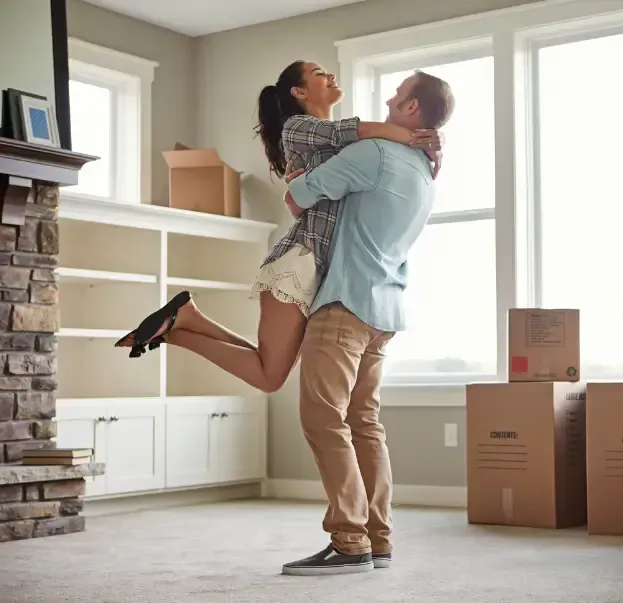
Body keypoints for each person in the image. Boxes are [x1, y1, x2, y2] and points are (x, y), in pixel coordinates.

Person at [113, 61, 442, 395]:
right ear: (299, 92)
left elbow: (329, 186)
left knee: (269, 367)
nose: (329, 76)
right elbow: (361, 131)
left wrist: (431, 141)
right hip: (298, 264)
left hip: (318, 270)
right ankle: (177, 330)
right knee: (270, 376)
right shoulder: (298, 127)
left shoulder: (345, 148)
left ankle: (186, 319)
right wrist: (416, 136)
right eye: (318, 74)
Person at [279, 70, 455, 576]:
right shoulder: (424, 169)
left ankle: (349, 541)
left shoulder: (373, 154)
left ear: (413, 109)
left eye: (398, 94)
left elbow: (297, 199)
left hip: (344, 305)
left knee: (323, 419)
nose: (389, 98)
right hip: (384, 311)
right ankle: (377, 539)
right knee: (364, 424)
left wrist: (301, 181)